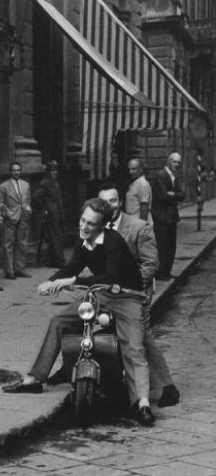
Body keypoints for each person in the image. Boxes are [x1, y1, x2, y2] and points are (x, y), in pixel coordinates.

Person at [2, 197, 155, 426]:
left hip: (127, 297)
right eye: (83, 220)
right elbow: (72, 266)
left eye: (91, 223)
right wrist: (51, 281)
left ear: (103, 225)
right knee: (59, 321)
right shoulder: (84, 242)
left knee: (133, 346)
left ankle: (142, 403)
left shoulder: (113, 241)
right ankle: (34, 378)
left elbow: (110, 276)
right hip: (100, 295)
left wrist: (71, 281)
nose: (84, 226)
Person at [48, 185, 180, 407]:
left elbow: (150, 264)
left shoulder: (138, 226)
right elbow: (88, 262)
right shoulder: (93, 230)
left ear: (119, 202)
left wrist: (124, 286)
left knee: (140, 340)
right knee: (78, 320)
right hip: (104, 290)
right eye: (103, 201)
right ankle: (71, 367)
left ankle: (167, 387)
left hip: (132, 291)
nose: (109, 205)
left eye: (112, 201)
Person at [152, 152, 184, 280]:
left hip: (171, 216)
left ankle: (167, 271)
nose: (177, 164)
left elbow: (182, 195)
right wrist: (175, 195)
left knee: (171, 245)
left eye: (179, 162)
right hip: (161, 216)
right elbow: (163, 195)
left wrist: (173, 194)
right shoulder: (161, 175)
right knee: (162, 245)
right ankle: (161, 272)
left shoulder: (176, 176)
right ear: (169, 161)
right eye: (174, 161)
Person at [0, 162, 32, 280]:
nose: (16, 172)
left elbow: (28, 198)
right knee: (8, 245)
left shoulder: (26, 185)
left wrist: (28, 210)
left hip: (23, 217)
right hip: (10, 218)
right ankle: (9, 271)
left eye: (18, 170)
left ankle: (19, 268)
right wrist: (6, 214)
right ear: (10, 171)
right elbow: (0, 203)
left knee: (22, 244)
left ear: (20, 171)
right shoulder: (3, 186)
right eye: (13, 170)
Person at [32, 159, 66, 267]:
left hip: (57, 213)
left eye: (56, 170)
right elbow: (35, 196)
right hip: (51, 214)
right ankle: (60, 260)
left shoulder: (55, 183)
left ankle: (50, 261)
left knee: (55, 237)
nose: (55, 172)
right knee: (56, 237)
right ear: (48, 171)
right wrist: (44, 207)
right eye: (52, 170)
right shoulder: (45, 183)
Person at [125, 158, 152, 223]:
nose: (130, 172)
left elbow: (144, 207)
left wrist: (141, 225)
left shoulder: (142, 184)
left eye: (133, 169)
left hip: (138, 220)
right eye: (129, 169)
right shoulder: (134, 183)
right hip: (132, 220)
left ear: (141, 169)